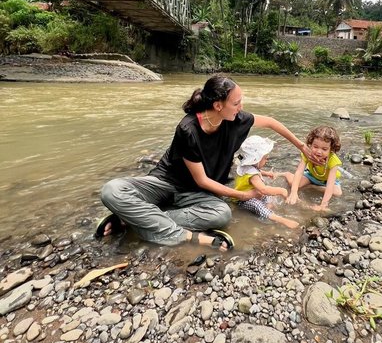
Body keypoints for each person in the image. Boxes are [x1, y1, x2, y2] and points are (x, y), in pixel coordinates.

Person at [98, 74, 310, 248]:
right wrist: (243, 194)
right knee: (112, 190)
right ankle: (171, 230)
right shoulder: (188, 129)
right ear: (218, 105)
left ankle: (136, 219)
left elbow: (272, 123)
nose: (241, 106)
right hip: (167, 185)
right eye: (236, 103)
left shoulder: (236, 120)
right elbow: (202, 180)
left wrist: (301, 146)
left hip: (196, 196)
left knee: (222, 214)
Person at [234, 135, 299, 229]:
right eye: (265, 158)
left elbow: (256, 171)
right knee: (258, 203)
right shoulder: (253, 176)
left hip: (252, 193)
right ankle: (281, 219)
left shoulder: (246, 165)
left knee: (268, 196)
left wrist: (267, 173)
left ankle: (268, 207)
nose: (267, 159)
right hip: (243, 200)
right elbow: (263, 189)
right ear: (256, 160)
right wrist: (281, 191)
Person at [286, 125, 342, 211]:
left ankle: (313, 186)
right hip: (311, 176)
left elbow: (330, 185)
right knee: (292, 183)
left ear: (331, 149)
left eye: (324, 149)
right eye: (315, 147)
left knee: (338, 193)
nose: (319, 151)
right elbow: (299, 172)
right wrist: (293, 193)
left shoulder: (333, 161)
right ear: (310, 144)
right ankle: (286, 174)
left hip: (326, 181)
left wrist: (323, 205)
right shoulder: (307, 154)